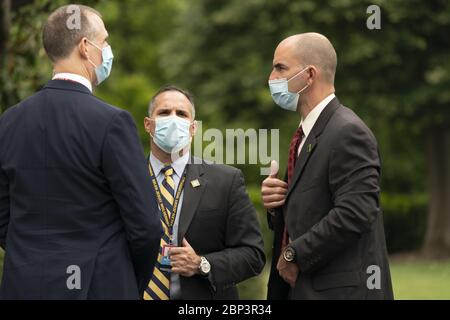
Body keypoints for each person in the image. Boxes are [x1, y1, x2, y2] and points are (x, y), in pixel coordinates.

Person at [0, 5, 162, 299]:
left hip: (24, 286)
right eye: (105, 40)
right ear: (86, 47)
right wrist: (124, 279)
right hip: (97, 287)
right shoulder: (113, 122)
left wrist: (30, 262)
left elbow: (2, 217)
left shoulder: (9, 121)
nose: (108, 49)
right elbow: (147, 226)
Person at [262, 32, 393, 300]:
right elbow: (313, 209)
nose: (271, 78)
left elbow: (356, 211)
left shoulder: (347, 131)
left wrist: (294, 254)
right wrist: (278, 205)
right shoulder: (306, 133)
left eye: (280, 68)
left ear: (309, 75)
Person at [142, 85, 265, 300]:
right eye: (164, 112)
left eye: (181, 114)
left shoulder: (226, 181)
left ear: (193, 128)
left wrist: (202, 264)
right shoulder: (124, 179)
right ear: (148, 124)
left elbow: (253, 255)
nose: (173, 119)